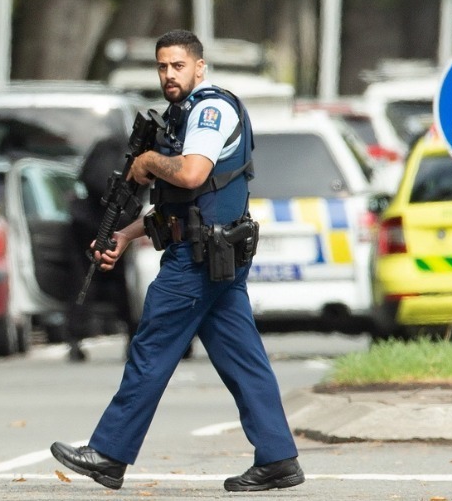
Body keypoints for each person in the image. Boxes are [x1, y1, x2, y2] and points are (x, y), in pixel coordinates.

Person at [50, 29, 304, 492]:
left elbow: (192, 173)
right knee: (242, 359)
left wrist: (148, 161)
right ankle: (278, 457)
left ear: (199, 66)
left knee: (150, 349)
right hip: (212, 252)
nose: (169, 74)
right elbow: (181, 206)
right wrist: (126, 234)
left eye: (178, 66)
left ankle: (108, 453)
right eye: (162, 66)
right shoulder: (181, 113)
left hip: (198, 260)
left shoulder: (209, 109)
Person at [63, 137, 139, 362]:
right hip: (112, 227)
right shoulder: (123, 151)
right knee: (124, 286)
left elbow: (86, 177)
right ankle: (132, 334)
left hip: (96, 226)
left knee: (85, 283)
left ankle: (76, 338)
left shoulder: (104, 150)